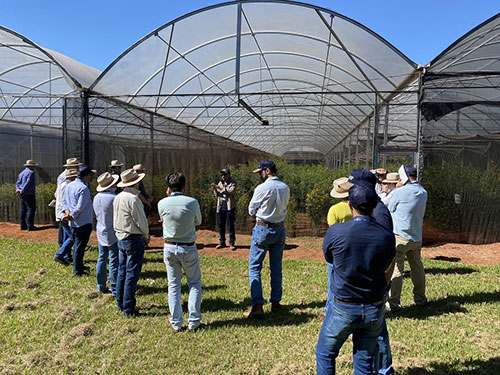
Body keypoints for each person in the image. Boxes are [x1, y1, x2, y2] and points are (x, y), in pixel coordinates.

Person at [316, 184, 396, 375]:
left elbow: (330, 258)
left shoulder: (336, 232)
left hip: (343, 306)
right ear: (375, 206)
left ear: (350, 205)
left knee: (325, 352)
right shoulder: (386, 237)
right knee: (364, 358)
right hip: (373, 308)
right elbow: (389, 264)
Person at [339, 168, 395, 375]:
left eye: (352, 187)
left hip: (373, 287)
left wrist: (382, 284)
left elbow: (390, 254)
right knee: (374, 331)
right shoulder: (372, 209)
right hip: (369, 285)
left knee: (378, 333)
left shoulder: (379, 213)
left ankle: (384, 371)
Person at [158, 172, 203, 332]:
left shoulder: (162, 203)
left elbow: (163, 218)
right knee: (194, 283)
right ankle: (194, 321)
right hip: (188, 247)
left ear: (169, 187)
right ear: (184, 186)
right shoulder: (192, 202)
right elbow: (198, 221)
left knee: (173, 285)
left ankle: (176, 322)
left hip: (169, 247)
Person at [246, 160, 290, 318]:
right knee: (276, 267)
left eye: (261, 172)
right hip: (279, 229)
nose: (260, 174)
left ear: (267, 171)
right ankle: (276, 303)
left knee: (255, 267)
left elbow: (251, 210)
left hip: (263, 228)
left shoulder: (262, 188)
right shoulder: (285, 187)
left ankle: (258, 306)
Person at [387, 165, 428, 311]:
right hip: (416, 237)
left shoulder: (400, 192)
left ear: (404, 177)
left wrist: (396, 189)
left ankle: (393, 302)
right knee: (417, 267)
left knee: (397, 269)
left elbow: (390, 208)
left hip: (399, 236)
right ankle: (420, 298)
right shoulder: (423, 192)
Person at [113, 168, 150, 317]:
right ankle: (128, 308)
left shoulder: (118, 197)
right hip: (133, 238)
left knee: (122, 271)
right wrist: (146, 235)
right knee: (132, 274)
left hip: (120, 236)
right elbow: (140, 221)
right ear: (136, 183)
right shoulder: (133, 199)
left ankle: (120, 303)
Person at [323, 177, 353, 317]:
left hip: (339, 249)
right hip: (353, 248)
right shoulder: (355, 207)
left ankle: (329, 311)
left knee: (333, 281)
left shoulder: (334, 209)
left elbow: (332, 230)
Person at [62, 166, 95, 276]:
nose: (91, 177)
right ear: (86, 176)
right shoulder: (83, 188)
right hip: (83, 221)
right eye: (90, 175)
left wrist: (68, 214)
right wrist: (71, 215)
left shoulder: (69, 186)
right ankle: (77, 270)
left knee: (77, 244)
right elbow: (80, 207)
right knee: (80, 246)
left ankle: (79, 266)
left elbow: (65, 202)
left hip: (74, 222)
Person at [93, 172, 120, 295]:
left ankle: (101, 285)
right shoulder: (114, 198)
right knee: (114, 260)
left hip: (101, 230)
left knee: (102, 258)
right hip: (113, 231)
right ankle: (114, 288)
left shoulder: (97, 197)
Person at [53, 169, 78, 265]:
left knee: (66, 235)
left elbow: (56, 195)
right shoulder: (68, 186)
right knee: (72, 236)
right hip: (64, 214)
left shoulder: (61, 185)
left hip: (61, 213)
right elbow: (66, 201)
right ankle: (59, 255)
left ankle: (66, 256)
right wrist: (67, 213)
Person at [56, 158, 82, 246]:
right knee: (71, 235)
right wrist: (67, 211)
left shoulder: (65, 181)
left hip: (64, 210)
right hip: (64, 210)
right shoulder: (65, 183)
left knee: (65, 231)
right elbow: (63, 198)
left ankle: (63, 250)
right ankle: (62, 253)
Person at [211, 167, 237, 250]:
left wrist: (219, 188)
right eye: (222, 175)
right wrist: (215, 189)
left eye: (225, 175)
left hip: (229, 207)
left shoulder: (233, 182)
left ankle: (232, 243)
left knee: (230, 226)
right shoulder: (220, 183)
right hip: (221, 206)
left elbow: (230, 191)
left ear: (229, 175)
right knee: (221, 226)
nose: (223, 176)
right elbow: (217, 194)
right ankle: (222, 242)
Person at [15, 160, 38, 231]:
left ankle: (23, 225)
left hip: (22, 194)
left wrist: (18, 189)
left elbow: (18, 182)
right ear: (32, 166)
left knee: (23, 209)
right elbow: (28, 183)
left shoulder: (21, 173)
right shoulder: (31, 173)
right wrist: (23, 189)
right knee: (31, 208)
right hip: (29, 193)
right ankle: (30, 226)